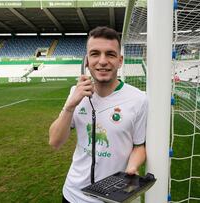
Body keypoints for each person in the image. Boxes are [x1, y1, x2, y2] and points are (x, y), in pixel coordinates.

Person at [49, 26, 148, 203]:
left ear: (120, 61)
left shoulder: (139, 99)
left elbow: (139, 146)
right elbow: (55, 142)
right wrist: (71, 105)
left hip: (113, 196)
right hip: (73, 195)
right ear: (87, 61)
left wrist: (132, 167)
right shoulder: (75, 93)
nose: (102, 61)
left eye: (110, 54)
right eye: (95, 54)